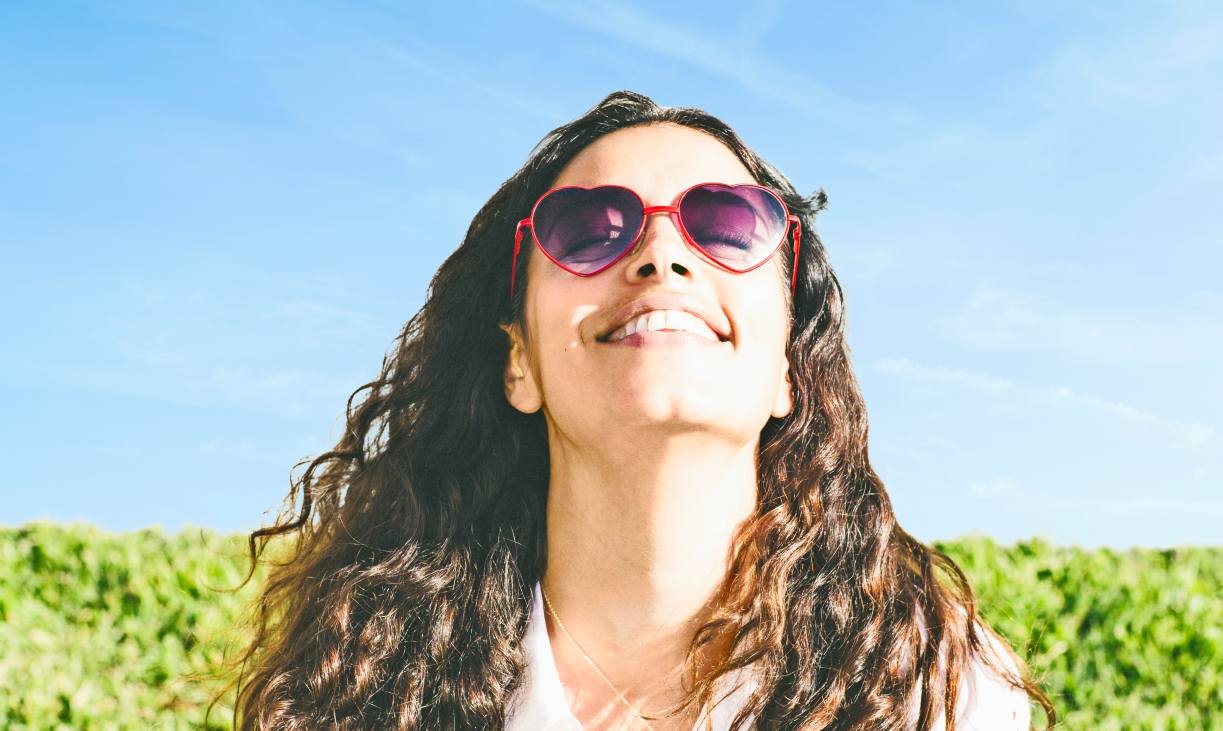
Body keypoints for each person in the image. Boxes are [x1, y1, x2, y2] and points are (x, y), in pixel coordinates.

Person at [212, 90, 1058, 731]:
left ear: (786, 374)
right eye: (589, 228)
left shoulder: (942, 695)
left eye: (727, 224)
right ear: (519, 360)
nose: (660, 253)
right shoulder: (362, 696)